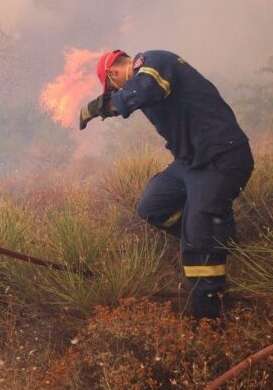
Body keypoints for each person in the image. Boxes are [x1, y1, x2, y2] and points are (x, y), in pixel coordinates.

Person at [80, 49, 254, 319]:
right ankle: (220, 237)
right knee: (153, 206)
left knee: (197, 239)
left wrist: (99, 107)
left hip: (221, 157)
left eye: (112, 87)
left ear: (114, 73)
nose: (117, 92)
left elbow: (145, 90)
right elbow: (134, 96)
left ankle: (210, 318)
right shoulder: (141, 81)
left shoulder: (153, 62)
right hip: (190, 162)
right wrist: (106, 106)